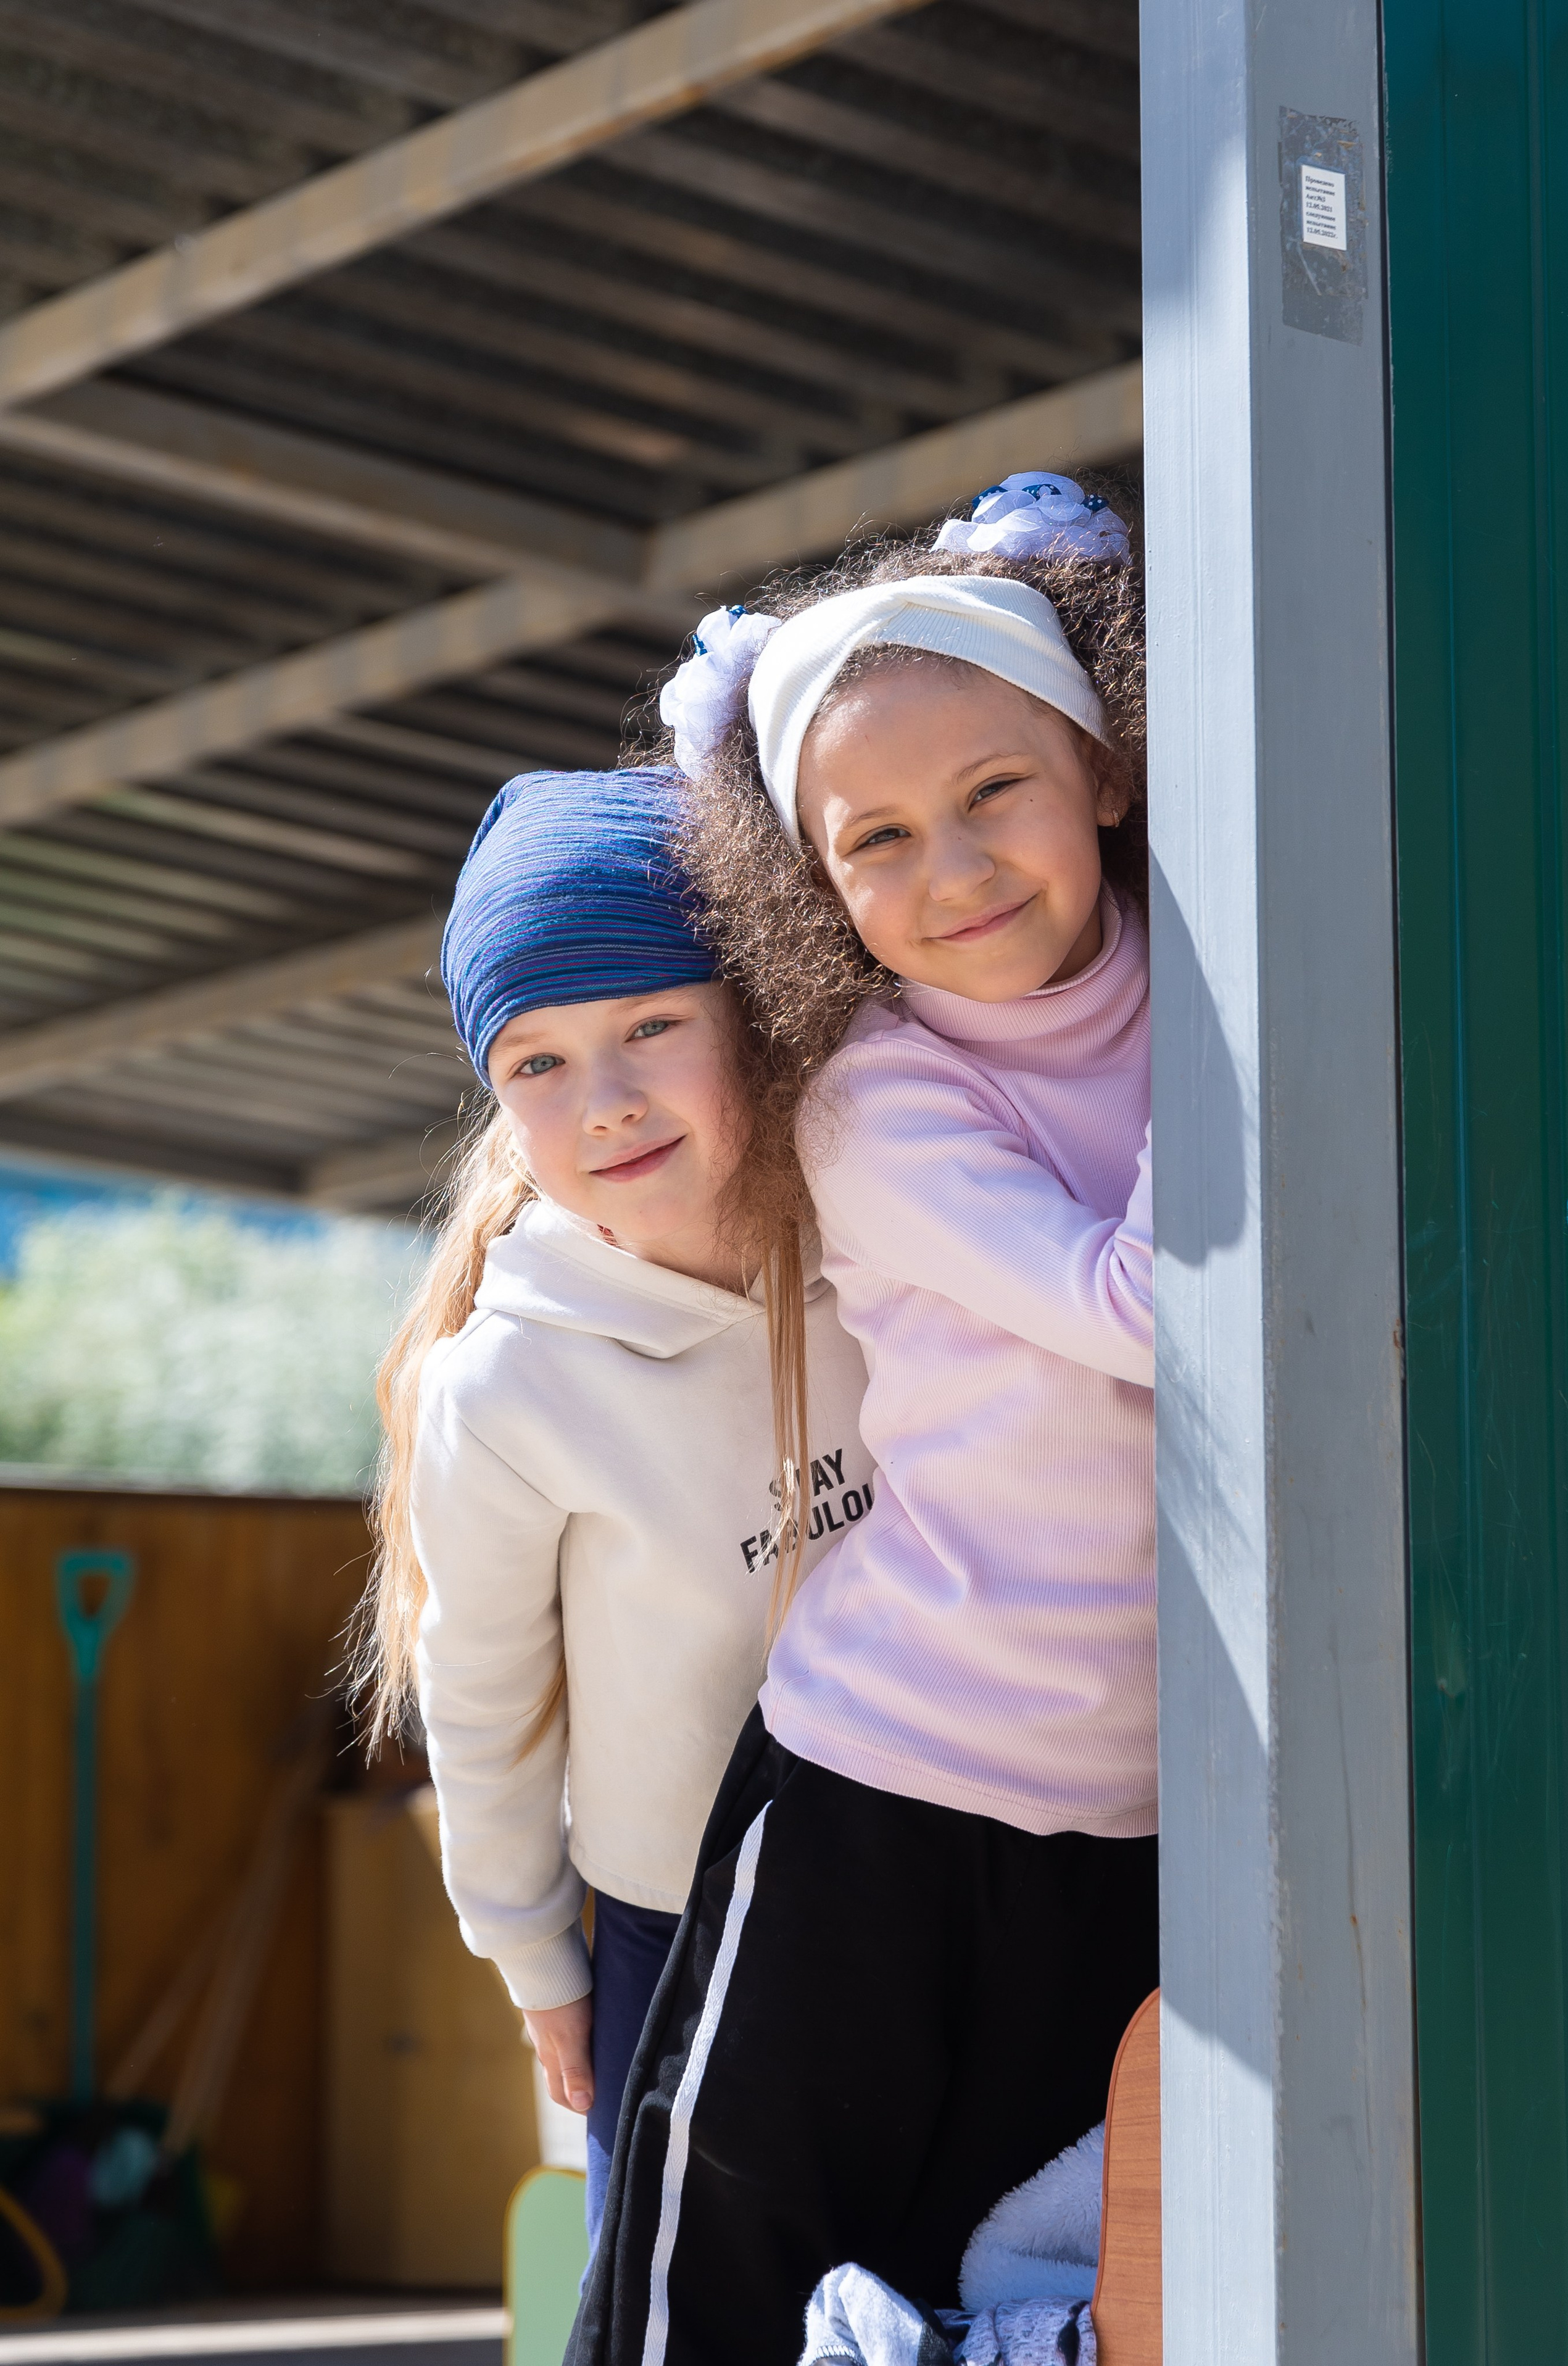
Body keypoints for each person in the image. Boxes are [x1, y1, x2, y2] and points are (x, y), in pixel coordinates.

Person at [569, 478, 1157, 2366]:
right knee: (719, 2289)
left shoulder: (1189, 996)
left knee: (1013, 2294)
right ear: (816, 889)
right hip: (880, 1796)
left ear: (1104, 772)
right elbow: (1150, 1311)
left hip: (1143, 1817)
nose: (952, 867)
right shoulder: (882, 1099)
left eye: (995, 791)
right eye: (876, 840)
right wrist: (1253, 1025)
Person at [353, 766, 873, 2253]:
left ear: (755, 1014)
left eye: (652, 1025)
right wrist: (536, 1957)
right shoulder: (508, 1384)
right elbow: (484, 1691)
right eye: (538, 1061)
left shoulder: (892, 1238)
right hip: (671, 1920)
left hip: (931, 1866)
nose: (607, 1101)